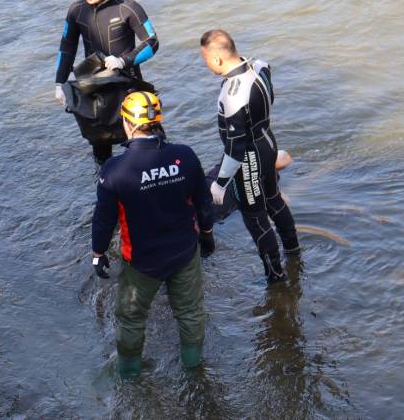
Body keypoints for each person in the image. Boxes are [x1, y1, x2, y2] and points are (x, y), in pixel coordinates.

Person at [91, 91, 214, 378]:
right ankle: (194, 370)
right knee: (190, 312)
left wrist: (98, 254)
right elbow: (203, 202)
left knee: (131, 318)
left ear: (127, 124)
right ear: (158, 121)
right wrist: (207, 234)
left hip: (142, 262)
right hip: (184, 252)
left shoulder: (115, 171)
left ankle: (130, 375)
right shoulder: (184, 156)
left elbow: (104, 219)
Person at [200, 29, 300, 284]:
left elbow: (235, 148)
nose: (206, 65)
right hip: (267, 140)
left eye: (206, 59)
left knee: (255, 215)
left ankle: (275, 276)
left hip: (249, 156)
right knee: (274, 199)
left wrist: (220, 183)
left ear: (218, 59)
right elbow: (268, 73)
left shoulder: (232, 94)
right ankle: (293, 250)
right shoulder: (259, 67)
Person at [54, 0, 160, 164]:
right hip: (94, 89)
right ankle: (106, 187)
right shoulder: (77, 10)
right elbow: (67, 47)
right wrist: (59, 83)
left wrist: (123, 60)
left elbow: (152, 42)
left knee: (147, 143)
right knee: (101, 151)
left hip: (128, 85)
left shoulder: (128, 7)